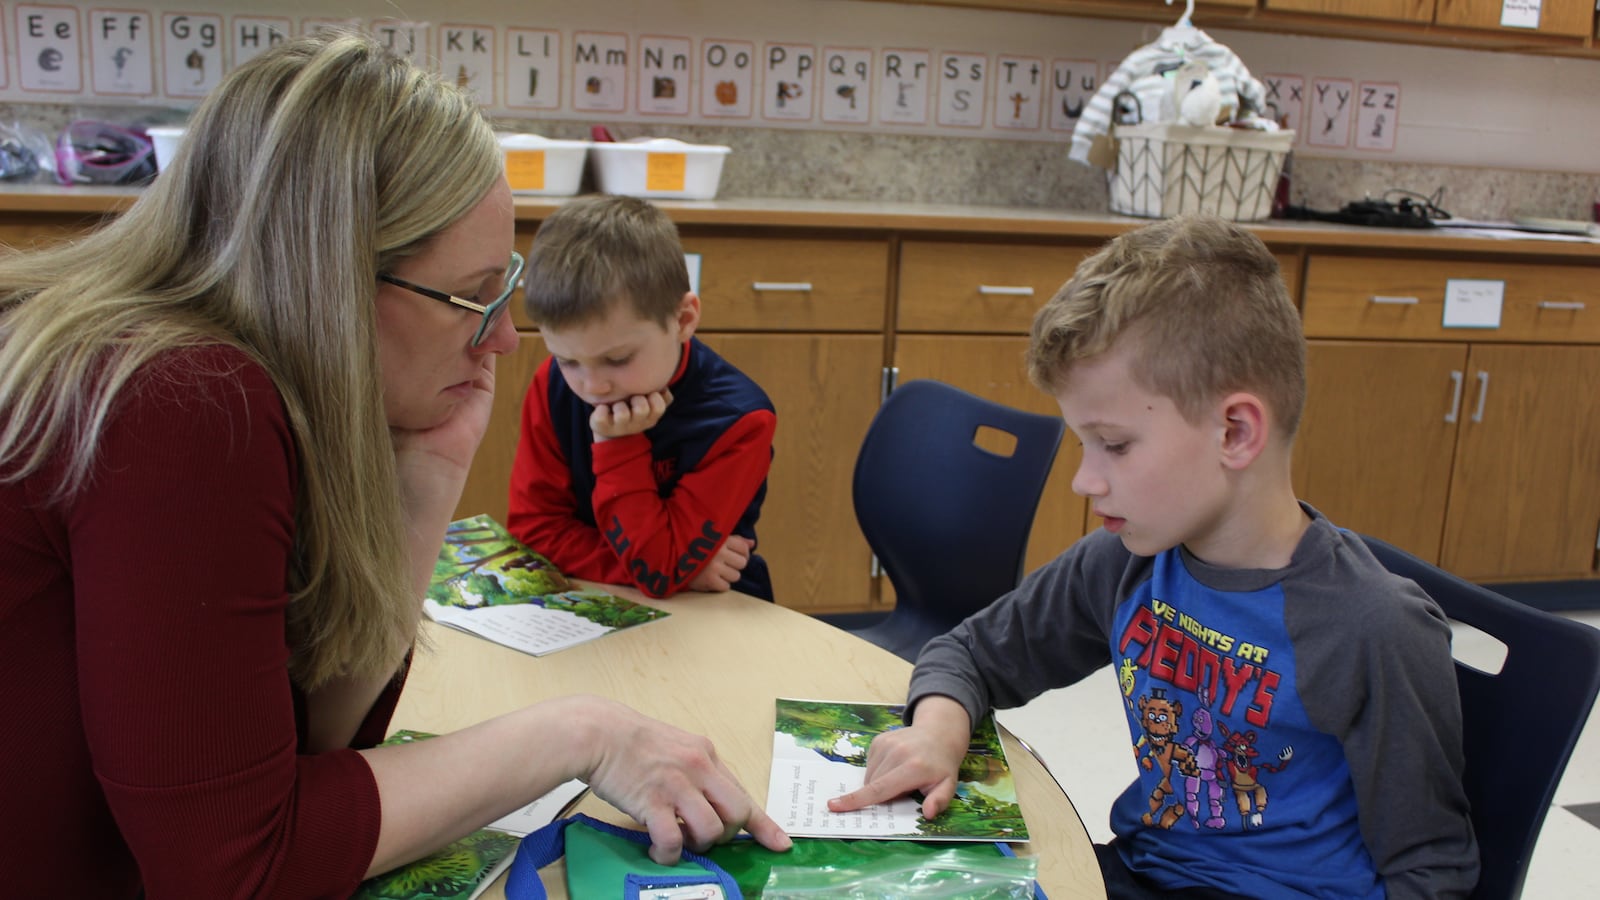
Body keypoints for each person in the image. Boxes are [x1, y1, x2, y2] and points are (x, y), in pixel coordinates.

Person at [0, 33, 787, 899]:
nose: (503, 337)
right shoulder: (184, 399)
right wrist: (583, 733)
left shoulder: (215, 380)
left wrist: (431, 470)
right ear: (334, 279)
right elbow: (238, 866)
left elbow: (317, 750)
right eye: (474, 296)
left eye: (506, 288)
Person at [829, 215, 1479, 898]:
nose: (1084, 480)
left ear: (1234, 431)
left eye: (1114, 444)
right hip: (1138, 875)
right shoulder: (1127, 560)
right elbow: (969, 653)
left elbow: (1433, 874)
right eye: (1084, 445)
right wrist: (936, 733)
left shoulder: (1372, 627)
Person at [507, 194, 777, 601]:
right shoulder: (552, 384)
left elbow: (659, 572)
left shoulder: (740, 420)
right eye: (568, 359)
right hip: (596, 595)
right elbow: (534, 533)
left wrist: (617, 445)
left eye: (617, 358)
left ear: (683, 320)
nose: (592, 386)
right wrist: (678, 569)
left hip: (714, 606)